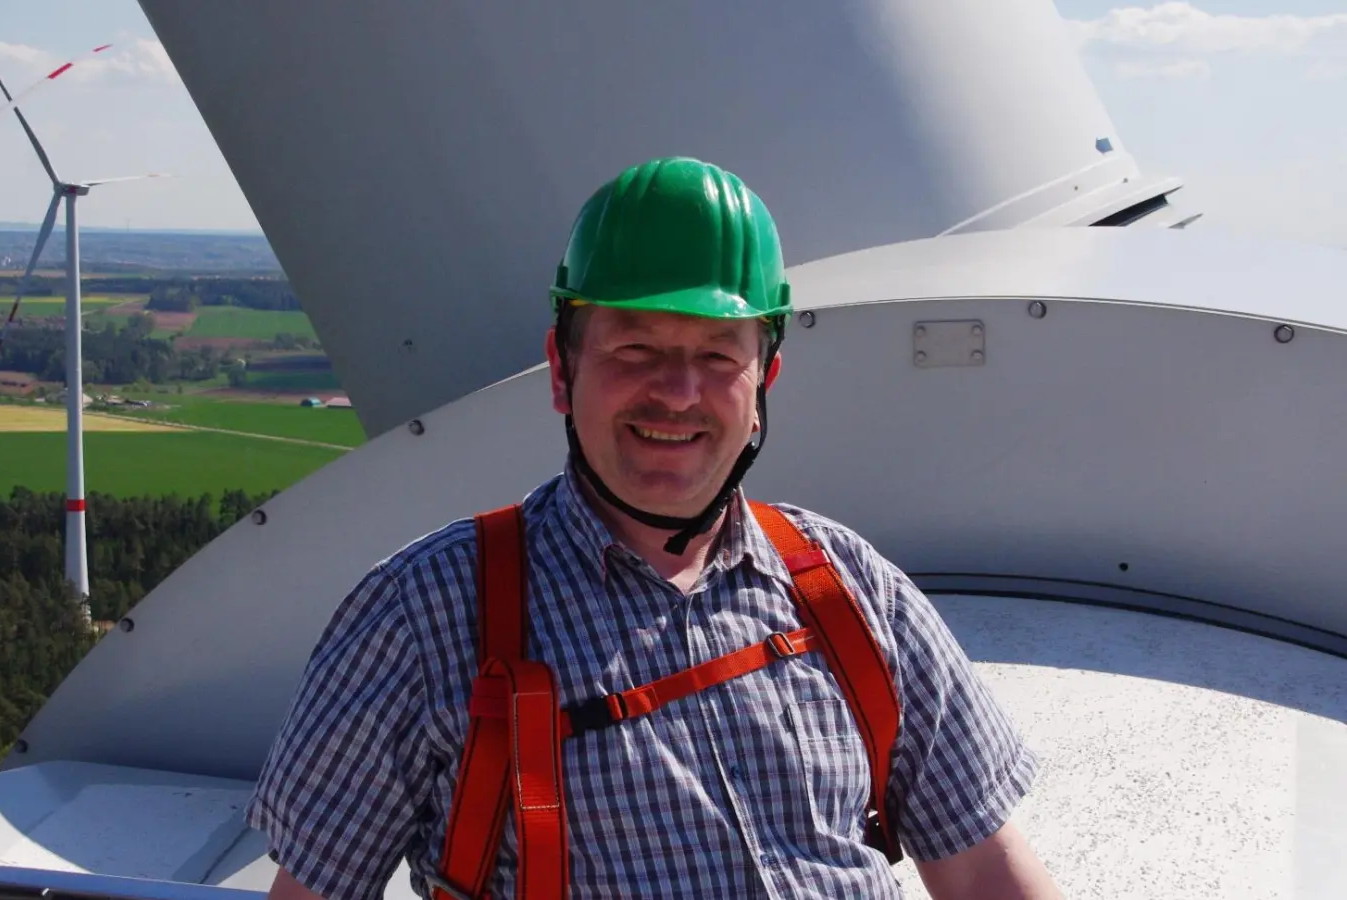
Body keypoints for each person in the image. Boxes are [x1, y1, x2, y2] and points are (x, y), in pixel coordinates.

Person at [245, 157, 1062, 899]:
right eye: (634, 348)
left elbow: (985, 870)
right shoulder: (422, 617)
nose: (676, 393)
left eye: (717, 355)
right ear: (563, 370)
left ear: (764, 380)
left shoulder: (847, 587)